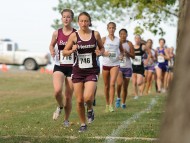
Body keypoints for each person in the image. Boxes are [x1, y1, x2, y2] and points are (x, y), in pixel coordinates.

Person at [63, 12, 107, 132]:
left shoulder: (95, 34)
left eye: (86, 21)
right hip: (77, 71)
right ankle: (83, 124)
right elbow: (64, 52)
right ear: (78, 22)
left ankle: (90, 109)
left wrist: (100, 52)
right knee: (79, 100)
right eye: (81, 21)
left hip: (92, 71)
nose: (84, 23)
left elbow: (102, 48)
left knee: (88, 98)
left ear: (89, 22)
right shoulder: (74, 36)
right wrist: (72, 50)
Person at [49, 9, 76, 127]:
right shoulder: (57, 33)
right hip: (59, 65)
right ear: (61, 18)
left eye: (68, 17)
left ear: (72, 19)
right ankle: (60, 106)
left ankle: (66, 120)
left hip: (72, 67)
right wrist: (52, 52)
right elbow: (51, 45)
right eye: (64, 17)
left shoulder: (76, 33)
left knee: (68, 96)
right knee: (57, 91)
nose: (66, 19)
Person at [102, 22, 124, 112]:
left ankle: (111, 104)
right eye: (110, 28)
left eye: (113, 28)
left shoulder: (118, 40)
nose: (111, 29)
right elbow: (98, 50)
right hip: (106, 64)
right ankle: (107, 104)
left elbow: (122, 51)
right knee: (106, 86)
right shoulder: (104, 39)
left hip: (115, 64)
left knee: (112, 84)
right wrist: (103, 53)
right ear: (107, 29)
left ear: (115, 29)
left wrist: (121, 56)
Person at [116, 29, 134, 108]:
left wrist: (127, 53)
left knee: (125, 87)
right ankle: (118, 98)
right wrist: (118, 57)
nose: (123, 35)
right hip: (119, 66)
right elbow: (112, 54)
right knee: (119, 84)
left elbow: (133, 56)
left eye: (124, 34)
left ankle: (123, 103)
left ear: (127, 35)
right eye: (121, 34)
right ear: (119, 35)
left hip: (127, 67)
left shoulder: (129, 43)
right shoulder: (116, 43)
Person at [132, 35, 151, 99]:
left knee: (139, 82)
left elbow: (149, 53)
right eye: (136, 38)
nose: (137, 40)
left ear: (140, 39)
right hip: (133, 66)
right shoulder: (132, 47)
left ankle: (142, 88)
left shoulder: (143, 47)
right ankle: (136, 95)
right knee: (134, 82)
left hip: (140, 66)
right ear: (134, 39)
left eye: (138, 38)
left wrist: (147, 60)